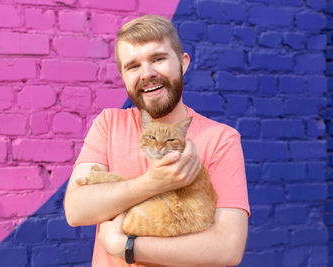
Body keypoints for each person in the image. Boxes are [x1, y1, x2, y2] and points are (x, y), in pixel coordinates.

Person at [64, 15, 250, 267]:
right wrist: (154, 182)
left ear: (183, 63)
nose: (147, 73)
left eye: (158, 59)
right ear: (123, 76)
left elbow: (227, 249)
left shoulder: (220, 139)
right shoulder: (109, 124)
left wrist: (125, 246)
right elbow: (76, 210)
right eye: (133, 66)